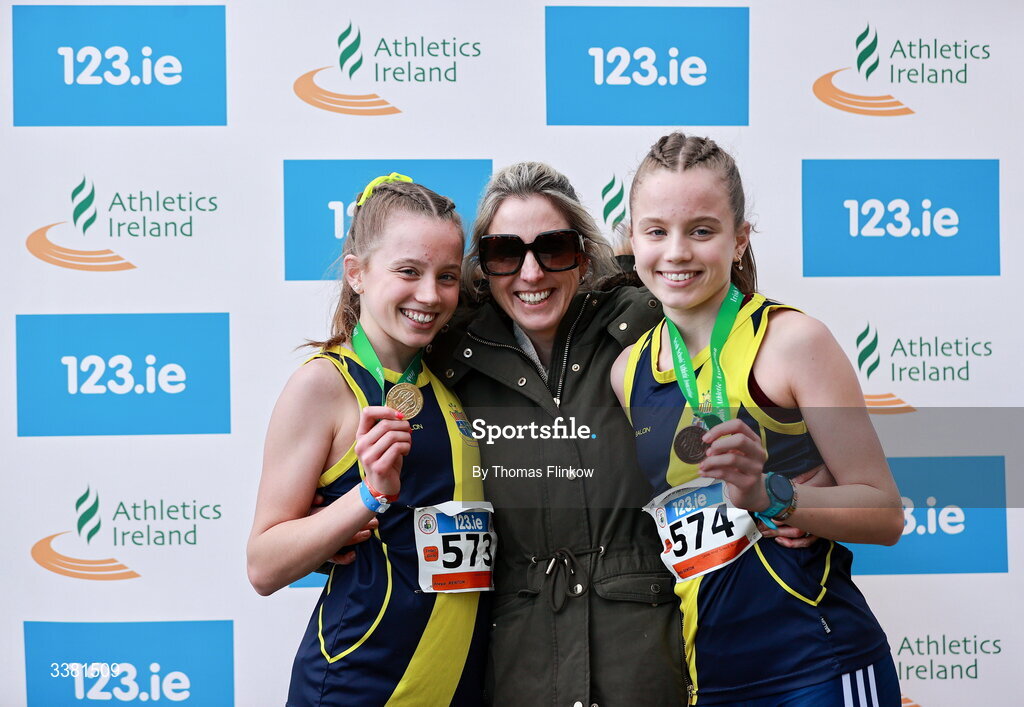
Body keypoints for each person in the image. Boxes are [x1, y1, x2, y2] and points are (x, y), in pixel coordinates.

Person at [612, 133, 904, 706]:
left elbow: (885, 512)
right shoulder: (630, 372)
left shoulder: (792, 341)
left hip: (819, 669)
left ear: (739, 238)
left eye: (701, 230)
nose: (675, 252)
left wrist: (775, 496)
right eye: (655, 230)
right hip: (713, 680)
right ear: (631, 238)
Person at [428, 161, 689, 706]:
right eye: (505, 252)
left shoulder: (651, 326)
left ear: (584, 254)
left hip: (646, 666)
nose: (530, 273)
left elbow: (749, 387)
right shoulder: (448, 356)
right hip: (522, 669)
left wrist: (794, 493)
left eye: (553, 248)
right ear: (483, 267)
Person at [247, 175, 491, 706]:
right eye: (408, 271)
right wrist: (367, 496)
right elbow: (263, 565)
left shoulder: (449, 386)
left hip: (456, 684)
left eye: (447, 276)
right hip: (359, 684)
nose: (430, 294)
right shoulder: (323, 384)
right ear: (357, 273)